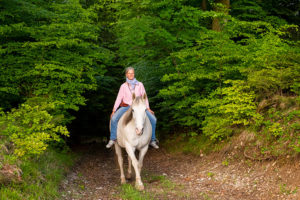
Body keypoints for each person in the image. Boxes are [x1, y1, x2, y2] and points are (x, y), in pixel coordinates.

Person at [106, 67, 159, 149]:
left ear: (134, 74)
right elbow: (119, 98)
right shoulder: (123, 86)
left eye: (132, 73)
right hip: (126, 106)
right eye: (129, 73)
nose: (131, 75)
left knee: (153, 119)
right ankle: (113, 139)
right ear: (126, 75)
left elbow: (145, 97)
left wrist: (148, 108)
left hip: (138, 107)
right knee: (113, 119)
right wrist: (114, 110)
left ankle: (152, 140)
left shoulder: (140, 84)